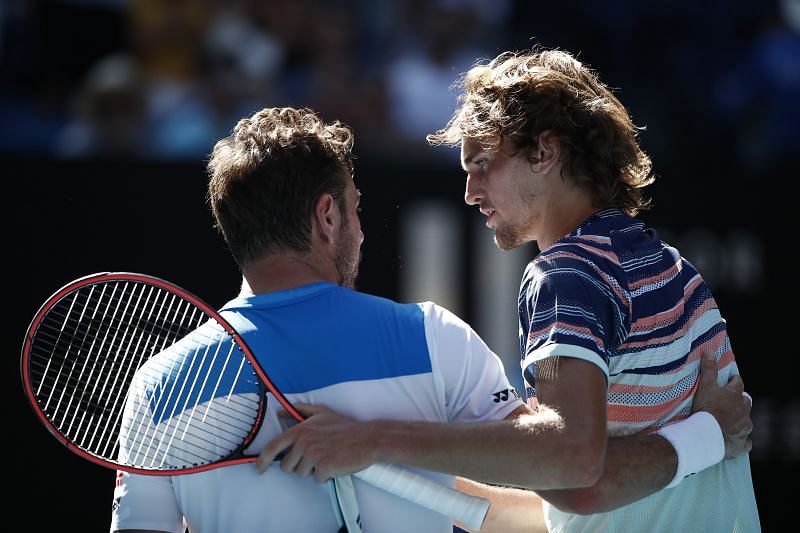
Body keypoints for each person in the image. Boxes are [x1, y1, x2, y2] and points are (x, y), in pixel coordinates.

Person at [258, 48, 761, 532]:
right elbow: (568, 512)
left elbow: (573, 470)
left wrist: (371, 438)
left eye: (480, 164)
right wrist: (374, 460)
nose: (470, 192)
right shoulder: (673, 269)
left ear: (544, 152)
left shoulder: (568, 274)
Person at [110, 106, 532, 533]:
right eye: (356, 208)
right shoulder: (432, 335)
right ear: (327, 216)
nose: (362, 232)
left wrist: (411, 472)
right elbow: (556, 464)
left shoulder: (157, 386)